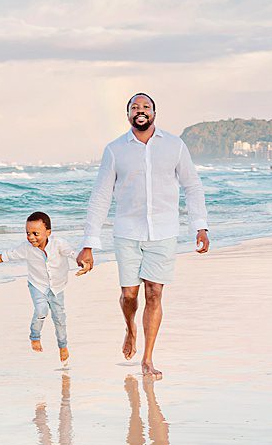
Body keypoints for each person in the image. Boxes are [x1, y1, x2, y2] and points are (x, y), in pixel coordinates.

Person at [76, 92, 210, 380]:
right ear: (128, 116)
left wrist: (200, 225)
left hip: (163, 231)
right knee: (129, 295)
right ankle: (130, 327)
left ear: (154, 113)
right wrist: (89, 243)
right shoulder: (115, 150)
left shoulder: (175, 145)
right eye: (135, 107)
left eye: (146, 107)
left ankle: (147, 358)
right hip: (127, 232)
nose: (141, 111)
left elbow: (192, 185)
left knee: (155, 292)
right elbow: (100, 196)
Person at [0, 210, 87, 363]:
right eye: (28, 233)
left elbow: (73, 254)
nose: (31, 237)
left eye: (35, 233)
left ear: (48, 232)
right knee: (41, 310)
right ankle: (35, 336)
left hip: (57, 287)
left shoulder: (59, 244)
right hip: (37, 285)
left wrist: (83, 262)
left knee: (59, 318)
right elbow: (5, 256)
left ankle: (63, 346)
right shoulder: (26, 248)